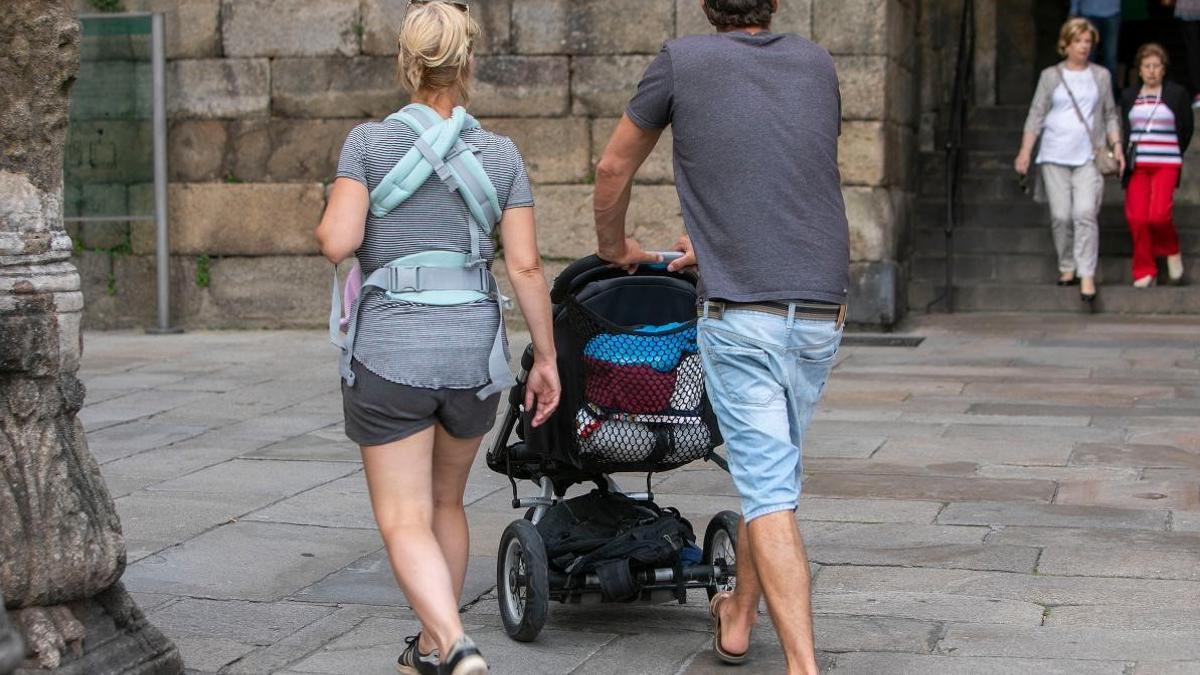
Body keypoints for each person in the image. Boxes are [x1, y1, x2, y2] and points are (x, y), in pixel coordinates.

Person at [592, 1, 847, 672]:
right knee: (776, 481)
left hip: (743, 313)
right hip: (820, 309)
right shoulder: (818, 64)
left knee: (767, 491)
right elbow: (787, 176)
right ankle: (736, 620)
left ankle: (803, 667)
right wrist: (716, 246)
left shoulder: (682, 60)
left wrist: (614, 245)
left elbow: (612, 168)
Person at [315, 2, 560, 673]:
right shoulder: (502, 155)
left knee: (403, 515)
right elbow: (527, 266)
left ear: (406, 62)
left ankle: (452, 640)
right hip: (472, 356)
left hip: (391, 353)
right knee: (448, 501)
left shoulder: (366, 145)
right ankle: (430, 645)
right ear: (468, 63)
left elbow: (337, 241)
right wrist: (546, 357)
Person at [1015, 17, 1124, 306]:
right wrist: (1025, 152)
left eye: (1088, 42)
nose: (1084, 47)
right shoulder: (1050, 76)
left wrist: (1117, 146)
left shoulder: (1100, 76)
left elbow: (1110, 114)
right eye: (1078, 41)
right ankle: (1067, 264)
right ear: (1066, 44)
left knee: (1085, 212)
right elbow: (1036, 114)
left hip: (1089, 154)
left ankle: (1086, 273)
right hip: (1053, 154)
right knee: (1061, 216)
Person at [1121, 42, 1192, 286]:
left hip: (1166, 163)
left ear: (1164, 69)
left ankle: (1171, 249)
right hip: (1138, 165)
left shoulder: (1176, 94)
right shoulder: (1129, 96)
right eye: (1147, 66)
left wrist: (1173, 152)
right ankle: (1144, 270)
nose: (1151, 71)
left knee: (1159, 215)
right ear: (1139, 70)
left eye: (1156, 66)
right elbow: (1124, 129)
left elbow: (1186, 128)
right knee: (1137, 218)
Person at [1070, 0, 1122, 89]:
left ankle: (1111, 97)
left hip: (1112, 11)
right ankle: (1084, 92)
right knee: (1086, 55)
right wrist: (1074, 10)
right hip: (1088, 12)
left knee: (1110, 58)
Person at [1164, 0, 1200, 108]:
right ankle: (1198, 91)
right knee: (1193, 53)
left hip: (1190, 11)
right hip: (1190, 11)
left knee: (1193, 52)